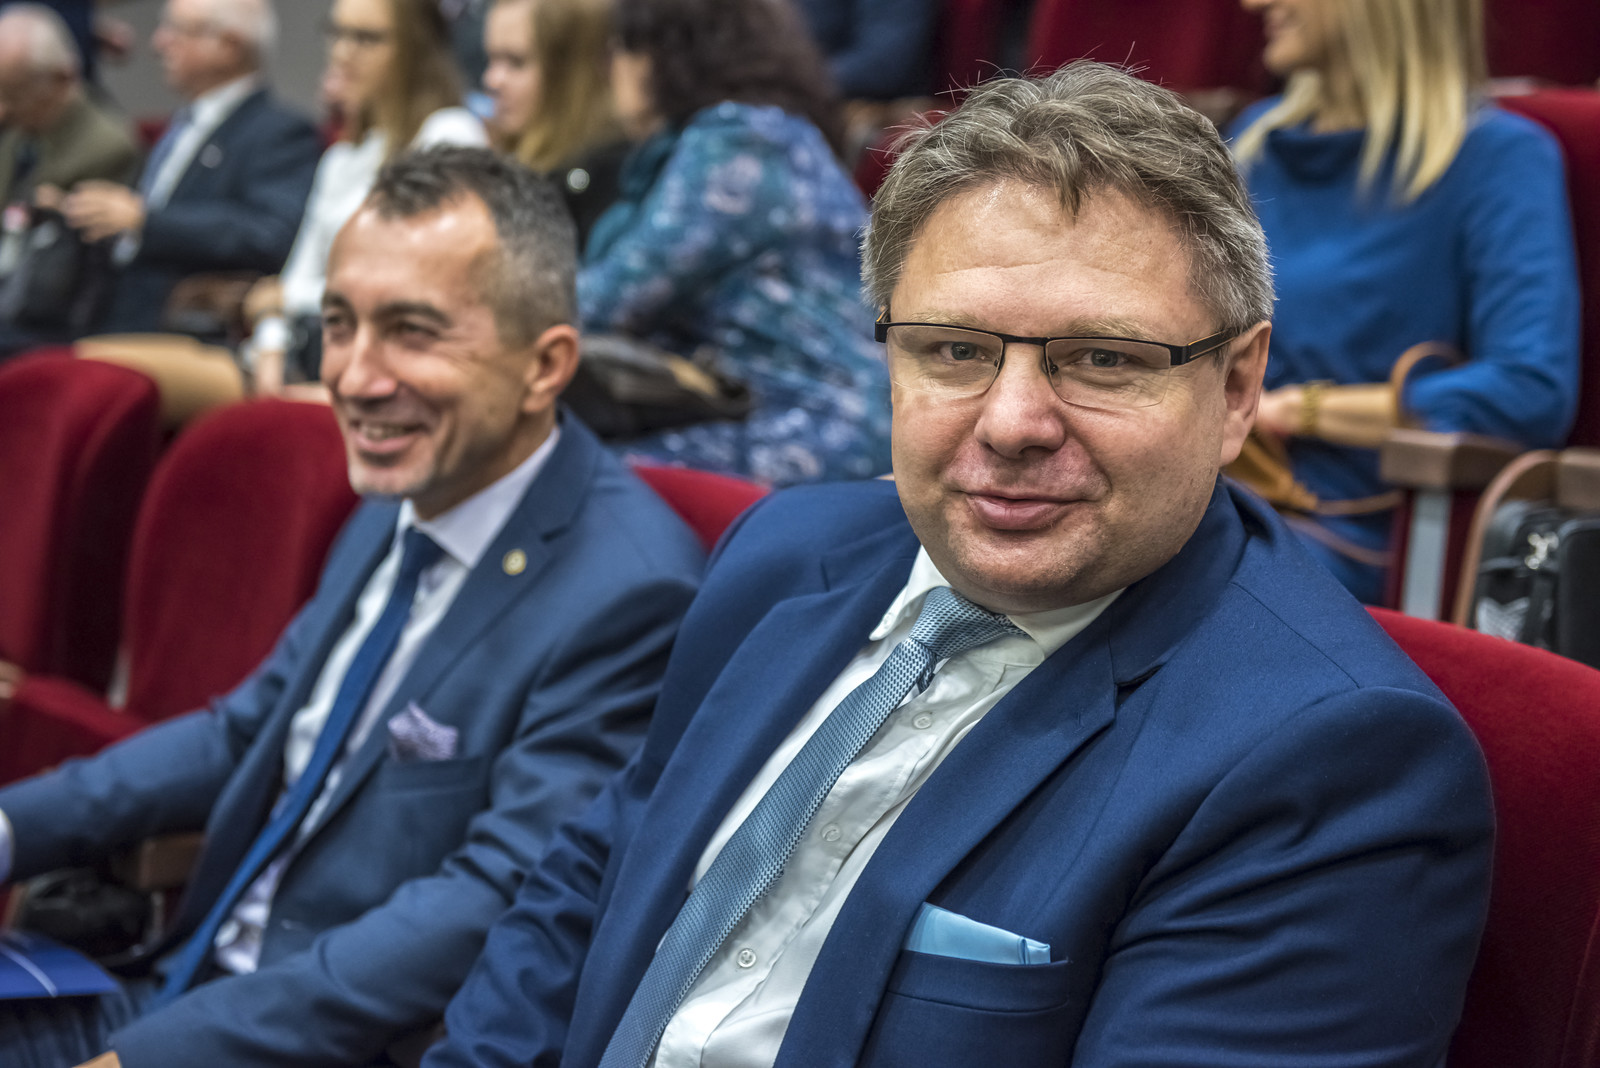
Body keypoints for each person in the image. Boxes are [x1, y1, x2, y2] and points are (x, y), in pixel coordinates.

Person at [422, 64, 1493, 1068]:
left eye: (1102, 359)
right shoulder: (783, 554)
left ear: (1237, 387)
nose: (1013, 422)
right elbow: (589, 892)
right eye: (955, 350)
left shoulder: (1333, 763)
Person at [0, 147, 704, 1068]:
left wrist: (155, 1055)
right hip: (177, 987)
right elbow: (243, 732)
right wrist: (12, 827)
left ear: (545, 366)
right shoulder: (401, 498)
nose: (355, 376)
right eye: (339, 324)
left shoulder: (631, 591)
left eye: (412, 331)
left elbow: (489, 903)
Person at [1230, 0, 1580, 602]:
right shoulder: (1250, 141)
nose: (1254, 4)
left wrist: (1297, 410)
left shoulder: (1497, 157)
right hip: (1210, 491)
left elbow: (1529, 390)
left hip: (1353, 530)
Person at [581, 0, 891, 486]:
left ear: (661, 55)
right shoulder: (773, 129)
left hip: (822, 422)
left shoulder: (737, 143)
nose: (610, 71)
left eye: (618, 49)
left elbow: (608, 301)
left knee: (577, 471)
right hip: (821, 411)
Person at [245, 0, 485, 393]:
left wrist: (283, 301)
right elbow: (295, 277)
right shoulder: (341, 158)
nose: (342, 52)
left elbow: (416, 285)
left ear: (416, 49)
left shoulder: (448, 134)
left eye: (366, 38)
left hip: (403, 369)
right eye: (337, 33)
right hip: (314, 358)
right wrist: (270, 346)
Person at [57, 0, 320, 336]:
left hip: (180, 328)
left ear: (229, 45)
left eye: (177, 30)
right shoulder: (182, 126)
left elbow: (267, 232)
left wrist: (145, 221)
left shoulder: (279, 131)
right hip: (109, 315)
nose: (159, 43)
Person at [481, 0, 624, 245]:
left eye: (516, 62)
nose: (492, 80)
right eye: (491, 59)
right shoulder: (509, 160)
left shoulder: (600, 182)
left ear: (569, 72)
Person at [0, 4, 137, 205]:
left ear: (61, 78)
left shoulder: (108, 149)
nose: (2, 110)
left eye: (15, 92)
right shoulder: (18, 130)